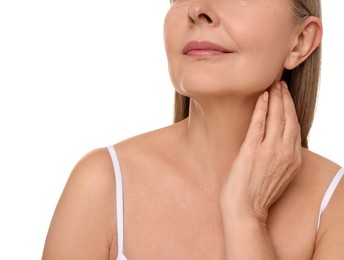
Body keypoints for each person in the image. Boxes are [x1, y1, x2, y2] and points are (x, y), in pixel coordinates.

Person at [42, 0, 344, 259]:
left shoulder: (335, 207)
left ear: (301, 40)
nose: (198, 9)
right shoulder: (100, 184)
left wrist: (246, 216)